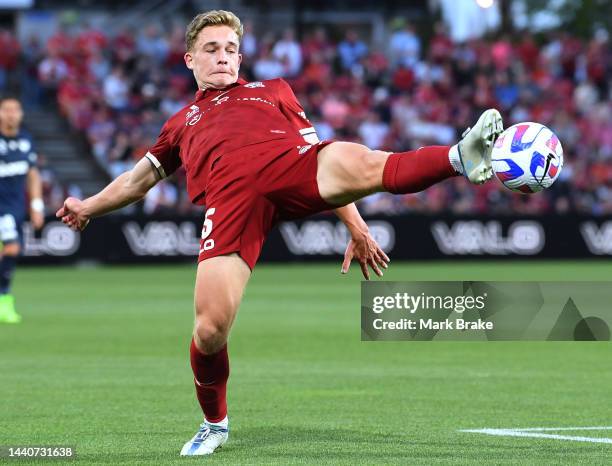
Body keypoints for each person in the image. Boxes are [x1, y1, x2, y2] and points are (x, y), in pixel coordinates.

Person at [56, 10, 503, 456]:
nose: (223, 58)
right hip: (232, 202)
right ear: (190, 59)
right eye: (212, 49)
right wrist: (88, 207)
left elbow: (318, 155)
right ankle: (215, 423)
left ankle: (459, 157)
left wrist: (356, 225)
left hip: (291, 166)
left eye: (231, 49)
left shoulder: (274, 91)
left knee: (361, 159)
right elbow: (138, 181)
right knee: (210, 329)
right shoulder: (179, 123)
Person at [0, 96, 44, 323]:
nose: (11, 114)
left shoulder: (26, 139)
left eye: (15, 109)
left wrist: (36, 205)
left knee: (11, 251)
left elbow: (33, 174)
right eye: (6, 109)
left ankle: (4, 300)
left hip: (16, 207)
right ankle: (4, 301)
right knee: (13, 248)